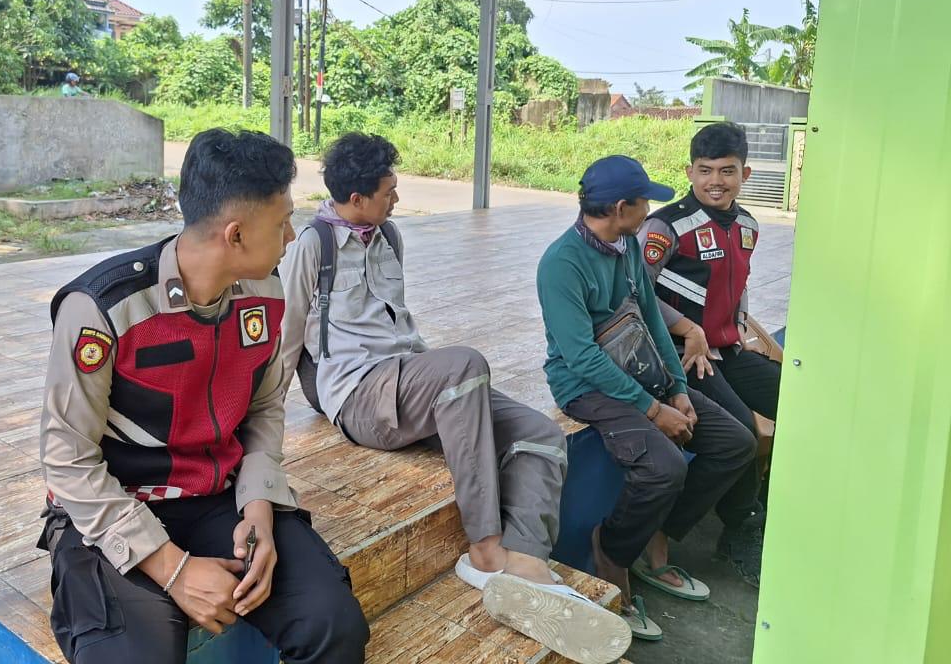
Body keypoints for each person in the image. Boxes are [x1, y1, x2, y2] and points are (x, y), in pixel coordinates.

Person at [281, 132, 631, 664]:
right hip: (359, 397)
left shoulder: (388, 235)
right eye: (388, 192)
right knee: (465, 364)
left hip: (412, 380)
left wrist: (434, 375)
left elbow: (400, 327)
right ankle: (485, 547)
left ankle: (526, 561)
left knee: (539, 432)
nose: (396, 198)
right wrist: (264, 433)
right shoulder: (313, 245)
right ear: (356, 198)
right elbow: (285, 337)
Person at [39, 128, 368, 664]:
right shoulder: (105, 309)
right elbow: (66, 459)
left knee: (332, 622)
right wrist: (172, 568)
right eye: (282, 221)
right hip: (113, 503)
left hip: (216, 495)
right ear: (235, 235)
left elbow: (263, 407)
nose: (292, 236)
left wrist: (259, 505)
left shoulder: (265, 294)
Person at [537, 155, 756, 642]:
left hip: (639, 369)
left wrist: (677, 387)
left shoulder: (627, 245)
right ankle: (612, 554)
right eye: (644, 202)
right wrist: (653, 411)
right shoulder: (561, 263)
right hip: (584, 385)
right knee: (664, 466)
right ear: (621, 208)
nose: (650, 211)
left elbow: (652, 319)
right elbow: (581, 356)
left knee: (735, 442)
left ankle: (657, 534)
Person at [636, 121, 782, 584]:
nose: (715, 181)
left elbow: (736, 285)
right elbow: (636, 292)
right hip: (682, 354)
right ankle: (738, 528)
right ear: (689, 172)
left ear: (745, 173)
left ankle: (771, 509)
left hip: (727, 349)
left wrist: (739, 329)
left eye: (727, 171)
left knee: (800, 401)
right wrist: (687, 329)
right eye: (705, 170)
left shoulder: (747, 225)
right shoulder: (666, 226)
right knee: (741, 435)